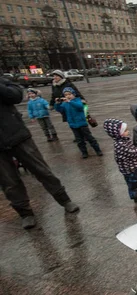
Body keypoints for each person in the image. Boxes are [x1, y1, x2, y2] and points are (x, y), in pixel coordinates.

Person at [0, 76, 79, 229]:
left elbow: (16, 95)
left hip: (17, 135)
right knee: (9, 182)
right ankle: (25, 213)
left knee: (41, 170)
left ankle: (64, 200)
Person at [103, 118, 137, 203]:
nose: (128, 132)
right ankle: (136, 196)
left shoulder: (125, 140)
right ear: (117, 133)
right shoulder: (120, 145)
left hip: (134, 166)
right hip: (129, 169)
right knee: (133, 183)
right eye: (125, 131)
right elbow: (131, 152)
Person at [54, 87, 103, 158]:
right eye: (66, 95)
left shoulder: (78, 101)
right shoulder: (65, 104)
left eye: (69, 94)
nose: (68, 96)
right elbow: (60, 110)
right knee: (79, 140)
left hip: (82, 123)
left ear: (74, 94)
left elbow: (80, 107)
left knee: (90, 138)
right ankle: (84, 152)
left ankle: (98, 150)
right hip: (73, 124)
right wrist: (57, 104)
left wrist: (70, 102)